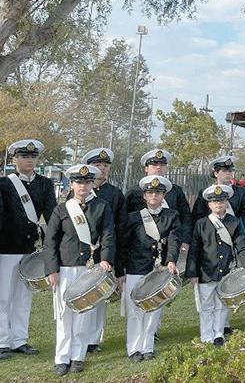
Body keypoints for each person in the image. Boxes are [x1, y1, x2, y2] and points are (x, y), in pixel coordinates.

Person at [43, 164, 115, 375]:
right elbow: (50, 241)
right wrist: (52, 269)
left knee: (84, 314)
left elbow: (109, 235)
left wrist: (105, 259)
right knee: (64, 315)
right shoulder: (62, 209)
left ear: (92, 184)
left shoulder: (102, 207)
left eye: (87, 182)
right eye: (79, 182)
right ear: (72, 184)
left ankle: (78, 357)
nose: (83, 186)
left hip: (89, 269)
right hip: (65, 267)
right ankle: (61, 358)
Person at [0, 139, 53, 360]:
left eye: (33, 156)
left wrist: (51, 246)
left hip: (31, 249)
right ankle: (2, 341)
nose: (29, 160)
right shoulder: (4, 184)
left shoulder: (45, 184)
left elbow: (51, 217)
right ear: (14, 160)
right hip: (6, 247)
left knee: (23, 297)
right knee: (3, 297)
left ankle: (19, 340)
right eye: (24, 156)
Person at [186, 185, 245, 346]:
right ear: (209, 204)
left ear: (227, 203)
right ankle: (206, 336)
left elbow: (242, 245)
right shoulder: (201, 223)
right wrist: (193, 273)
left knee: (222, 305)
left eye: (222, 201)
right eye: (214, 201)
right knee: (206, 306)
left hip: (226, 270)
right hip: (206, 272)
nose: (218, 204)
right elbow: (194, 250)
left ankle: (218, 334)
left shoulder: (234, 222)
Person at [72, 148, 126, 353]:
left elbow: (119, 228)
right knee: (81, 294)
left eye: (105, 166)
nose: (102, 169)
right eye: (98, 165)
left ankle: (93, 340)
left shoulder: (115, 194)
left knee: (99, 298)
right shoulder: (77, 193)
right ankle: (78, 337)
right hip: (80, 254)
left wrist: (114, 259)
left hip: (104, 254)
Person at [122, 175, 181, 361]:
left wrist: (171, 260)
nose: (154, 195)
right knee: (135, 310)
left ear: (164, 196)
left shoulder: (171, 216)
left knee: (154, 309)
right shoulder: (133, 217)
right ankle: (134, 349)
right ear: (144, 196)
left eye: (158, 192)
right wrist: (121, 270)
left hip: (158, 269)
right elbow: (124, 244)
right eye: (150, 192)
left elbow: (174, 240)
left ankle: (148, 347)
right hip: (136, 267)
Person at [125, 149, 192, 241]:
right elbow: (125, 218)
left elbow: (186, 217)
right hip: (142, 243)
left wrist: (185, 241)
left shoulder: (176, 191)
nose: (158, 167)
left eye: (162, 164)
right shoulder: (134, 192)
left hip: (172, 241)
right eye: (154, 164)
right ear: (146, 168)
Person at [191, 156, 245, 224]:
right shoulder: (206, 192)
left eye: (230, 171)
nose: (228, 173)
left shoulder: (241, 192)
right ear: (216, 174)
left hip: (234, 228)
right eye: (224, 171)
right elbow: (198, 216)